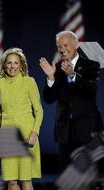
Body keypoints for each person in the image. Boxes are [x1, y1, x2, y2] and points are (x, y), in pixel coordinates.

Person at [39, 30, 103, 172]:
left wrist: (73, 75)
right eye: (59, 46)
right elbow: (48, 99)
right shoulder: (56, 68)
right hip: (65, 131)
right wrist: (50, 77)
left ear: (76, 45)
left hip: (88, 130)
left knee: (89, 176)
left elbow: (90, 90)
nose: (62, 49)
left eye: (66, 45)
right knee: (67, 177)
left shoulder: (91, 65)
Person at [0, 48, 43, 190]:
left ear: (21, 65)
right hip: (7, 136)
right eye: (9, 63)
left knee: (26, 180)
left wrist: (35, 132)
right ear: (4, 65)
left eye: (16, 63)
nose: (12, 66)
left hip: (27, 134)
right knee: (12, 181)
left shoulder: (29, 82)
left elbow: (39, 110)